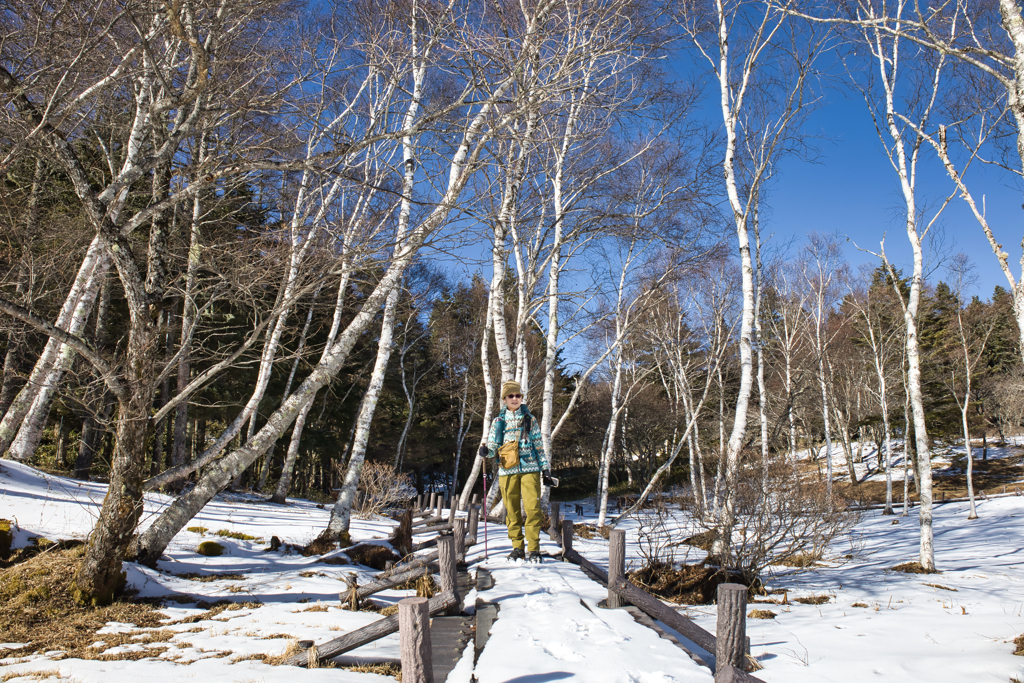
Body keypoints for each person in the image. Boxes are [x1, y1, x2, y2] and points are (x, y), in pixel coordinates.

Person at [483, 381, 554, 562]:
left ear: (522, 398)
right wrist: (485, 451)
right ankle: (517, 547)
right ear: (505, 399)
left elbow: (539, 446)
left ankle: (534, 548)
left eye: (518, 396)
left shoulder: (531, 420)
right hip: (507, 471)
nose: (515, 399)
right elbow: (492, 447)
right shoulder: (498, 422)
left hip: (530, 469)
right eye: (511, 396)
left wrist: (545, 469)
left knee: (533, 509)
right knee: (512, 510)